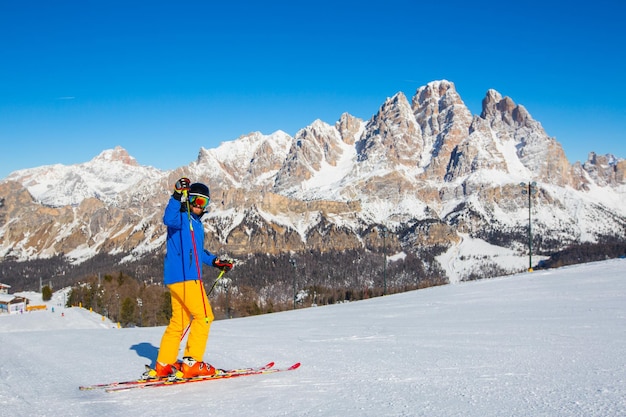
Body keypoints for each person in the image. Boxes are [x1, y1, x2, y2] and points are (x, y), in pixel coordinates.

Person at [146, 177, 233, 379]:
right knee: (204, 317)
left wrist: (215, 262)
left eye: (202, 202)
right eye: (194, 199)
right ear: (187, 199)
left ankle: (164, 364)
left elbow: (197, 251)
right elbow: (167, 218)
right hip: (187, 279)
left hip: (177, 280)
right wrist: (177, 195)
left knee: (179, 322)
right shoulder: (180, 219)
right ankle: (192, 362)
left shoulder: (195, 224)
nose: (197, 205)